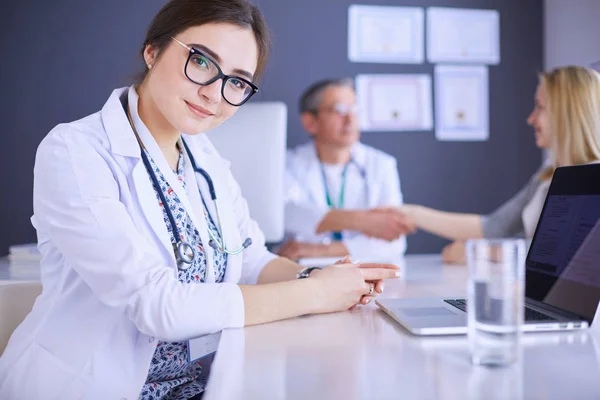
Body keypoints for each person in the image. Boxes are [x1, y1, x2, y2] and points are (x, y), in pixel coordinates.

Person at [0, 1, 401, 399]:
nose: (214, 94)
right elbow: (157, 305)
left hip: (202, 384)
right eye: (202, 62)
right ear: (152, 50)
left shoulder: (204, 156)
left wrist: (319, 277)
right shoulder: (75, 151)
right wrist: (313, 294)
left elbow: (250, 258)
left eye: (238, 82)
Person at [388, 66, 600, 264]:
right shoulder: (548, 173)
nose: (531, 118)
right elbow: (494, 227)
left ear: (566, 115)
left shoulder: (593, 179)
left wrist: (480, 251)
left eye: (540, 107)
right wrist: (411, 213)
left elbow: (565, 253)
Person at [279, 78, 414, 261]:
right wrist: (365, 221)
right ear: (310, 122)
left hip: (364, 273)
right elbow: (288, 214)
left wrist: (315, 250)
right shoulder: (288, 163)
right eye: (339, 110)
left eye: (354, 109)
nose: (350, 119)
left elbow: (394, 239)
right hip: (302, 273)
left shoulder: (381, 164)